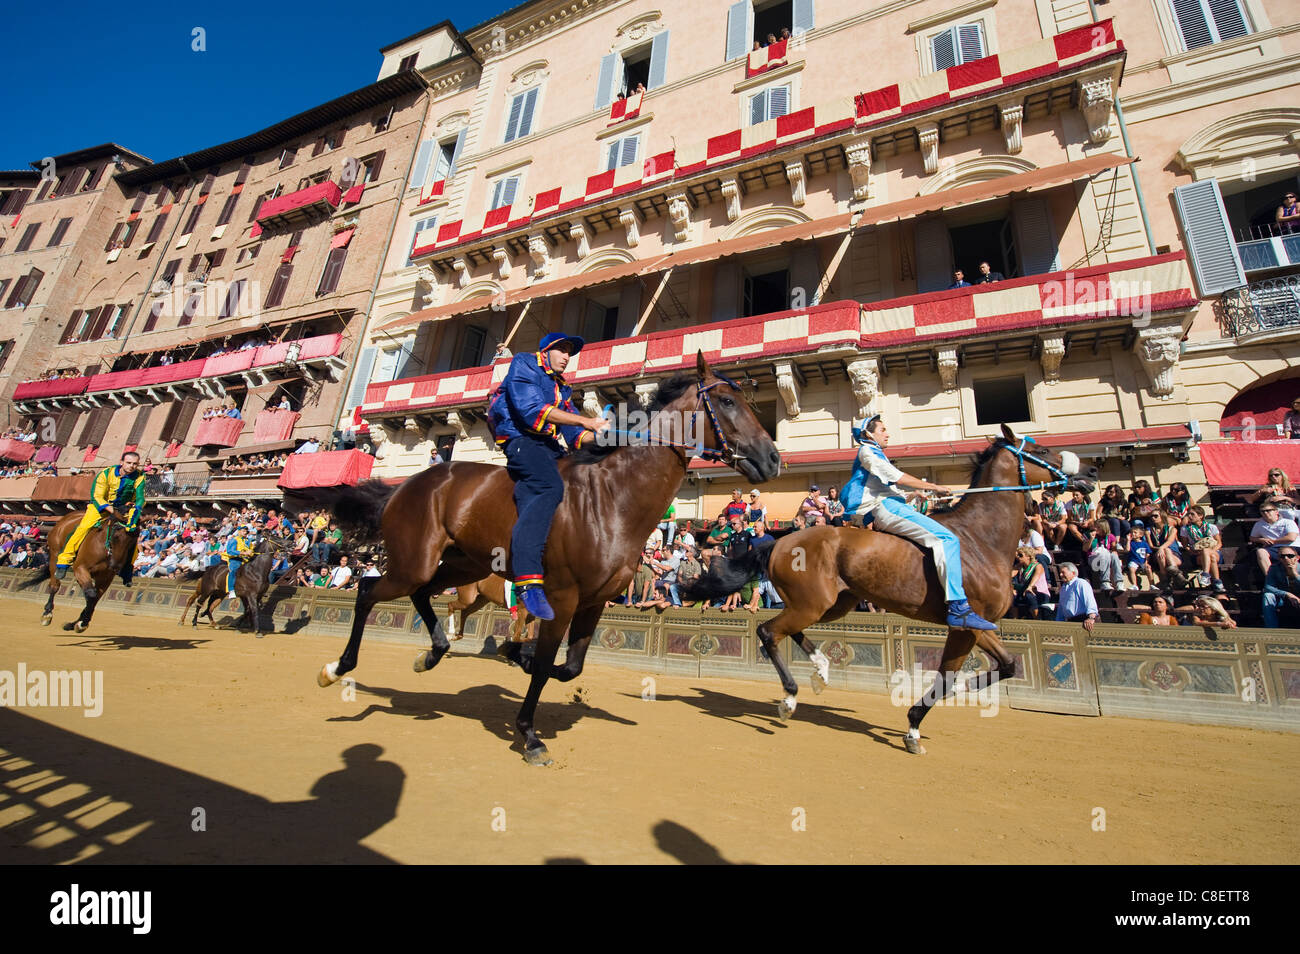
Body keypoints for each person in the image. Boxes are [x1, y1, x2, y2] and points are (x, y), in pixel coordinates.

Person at [488, 331, 610, 620]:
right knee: (547, 487)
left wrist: (609, 435)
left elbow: (576, 437)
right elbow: (531, 411)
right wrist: (586, 420)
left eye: (570, 352)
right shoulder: (524, 363)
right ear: (546, 351)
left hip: (549, 446)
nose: (568, 357)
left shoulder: (563, 389)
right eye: (563, 350)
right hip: (519, 439)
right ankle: (527, 580)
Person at [839, 415, 997, 630]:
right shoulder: (867, 451)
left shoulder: (875, 454)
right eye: (883, 429)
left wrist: (913, 495)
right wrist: (934, 486)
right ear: (869, 434)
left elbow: (885, 489)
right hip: (886, 509)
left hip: (891, 505)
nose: (887, 433)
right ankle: (958, 608)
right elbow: (897, 477)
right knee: (947, 539)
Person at [55, 451, 146, 587]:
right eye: (129, 463)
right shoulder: (106, 473)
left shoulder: (140, 476)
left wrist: (137, 509)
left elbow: (140, 497)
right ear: (121, 462)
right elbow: (97, 496)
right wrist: (112, 510)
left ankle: (127, 568)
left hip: (124, 509)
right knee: (83, 528)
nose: (132, 466)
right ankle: (64, 560)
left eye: (135, 464)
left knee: (132, 533)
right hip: (100, 508)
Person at [1181, 505, 1226, 593]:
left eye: (1192, 514)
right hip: (1197, 555)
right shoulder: (1185, 529)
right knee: (1211, 557)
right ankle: (1217, 582)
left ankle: (1205, 575)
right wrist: (1192, 551)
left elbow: (1219, 543)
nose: (1189, 516)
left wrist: (1210, 551)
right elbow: (1185, 545)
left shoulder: (1211, 527)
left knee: (1207, 552)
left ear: (1200, 516)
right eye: (1188, 514)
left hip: (1214, 551)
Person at [1250, 503, 1299, 576]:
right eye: (1262, 511)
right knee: (1260, 551)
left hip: (1293, 547)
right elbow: (1252, 538)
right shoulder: (1259, 524)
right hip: (1274, 549)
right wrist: (1261, 540)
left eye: (1268, 510)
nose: (1265, 513)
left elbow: (1291, 538)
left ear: (1276, 511)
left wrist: (1272, 541)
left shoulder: (1287, 522)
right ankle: (1270, 578)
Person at [1054, 562, 1099, 633]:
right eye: (1060, 573)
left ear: (1073, 573)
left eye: (1063, 572)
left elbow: (1089, 600)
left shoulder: (1081, 583)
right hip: (1070, 622)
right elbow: (1061, 608)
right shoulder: (1063, 588)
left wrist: (1091, 618)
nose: (1060, 575)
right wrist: (1058, 622)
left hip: (1083, 621)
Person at [1262, 547, 1300, 628]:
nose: (1286, 558)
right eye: (1282, 556)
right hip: (1283, 598)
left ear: (1297, 558)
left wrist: (1296, 575)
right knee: (1268, 596)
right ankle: (1271, 629)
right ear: (1279, 559)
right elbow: (1268, 587)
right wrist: (1287, 594)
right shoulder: (1274, 568)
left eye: (1290, 556)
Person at [1011, 546, 1049, 619]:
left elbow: (1036, 576)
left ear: (1028, 556)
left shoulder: (1038, 566)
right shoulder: (1019, 566)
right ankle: (1014, 619)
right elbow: (1010, 575)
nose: (1018, 557)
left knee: (1029, 595)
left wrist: (1030, 586)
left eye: (1021, 555)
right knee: (1012, 596)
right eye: (1017, 555)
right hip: (1024, 591)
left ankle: (1037, 619)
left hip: (1039, 593)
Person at [222, 525, 253, 594]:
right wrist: (242, 553)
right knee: (234, 570)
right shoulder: (234, 540)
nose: (245, 533)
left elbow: (251, 550)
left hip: (247, 560)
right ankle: (231, 589)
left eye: (246, 531)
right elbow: (230, 551)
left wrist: (251, 552)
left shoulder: (248, 541)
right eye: (243, 531)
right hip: (236, 559)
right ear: (239, 531)